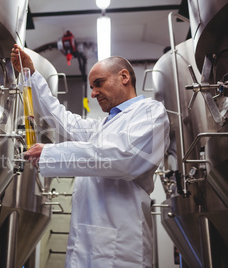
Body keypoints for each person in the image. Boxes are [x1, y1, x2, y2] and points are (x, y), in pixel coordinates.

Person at [11, 44, 170, 268]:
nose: (93, 93)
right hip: (86, 238)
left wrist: (49, 152)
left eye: (98, 84)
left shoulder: (150, 112)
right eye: (91, 87)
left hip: (122, 246)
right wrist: (33, 76)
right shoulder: (103, 126)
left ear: (124, 76)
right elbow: (60, 118)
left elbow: (123, 159)